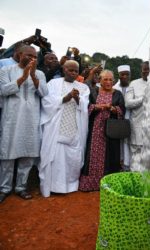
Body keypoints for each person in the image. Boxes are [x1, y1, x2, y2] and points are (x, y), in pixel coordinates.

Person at [0, 45, 48, 203]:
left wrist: (33, 75)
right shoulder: (6, 71)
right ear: (19, 55)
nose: (32, 59)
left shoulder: (39, 73)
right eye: (29, 55)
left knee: (27, 154)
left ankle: (21, 187)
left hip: (31, 119)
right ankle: (4, 188)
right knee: (7, 154)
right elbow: (3, 90)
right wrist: (23, 77)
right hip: (12, 118)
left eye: (35, 57)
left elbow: (44, 93)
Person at [38, 60, 89, 197]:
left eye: (75, 71)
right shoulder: (53, 84)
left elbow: (85, 106)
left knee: (73, 158)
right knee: (55, 157)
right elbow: (46, 102)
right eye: (70, 70)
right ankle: (53, 186)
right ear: (63, 69)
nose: (73, 73)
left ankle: (70, 186)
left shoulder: (83, 87)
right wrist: (65, 98)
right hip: (56, 128)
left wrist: (78, 98)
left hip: (75, 129)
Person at [79, 70, 125, 191]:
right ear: (100, 80)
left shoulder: (118, 94)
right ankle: (91, 184)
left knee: (112, 155)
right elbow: (86, 107)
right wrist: (97, 107)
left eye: (111, 79)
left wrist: (113, 109)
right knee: (93, 154)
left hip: (111, 129)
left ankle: (110, 185)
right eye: (105, 79)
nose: (108, 82)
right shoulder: (93, 92)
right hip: (95, 128)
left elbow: (122, 110)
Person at [113, 65, 131, 171]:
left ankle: (127, 165)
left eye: (127, 74)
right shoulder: (114, 88)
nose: (124, 76)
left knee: (128, 142)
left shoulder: (133, 87)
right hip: (117, 120)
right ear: (119, 75)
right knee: (118, 143)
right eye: (122, 74)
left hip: (130, 119)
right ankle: (119, 164)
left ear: (130, 75)